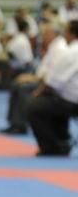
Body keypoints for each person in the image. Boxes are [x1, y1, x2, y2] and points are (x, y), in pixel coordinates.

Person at [1, 22, 67, 135]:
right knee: (16, 84)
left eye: (46, 34)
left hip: (52, 85)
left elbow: (53, 74)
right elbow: (43, 69)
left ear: (54, 34)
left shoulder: (60, 48)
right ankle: (14, 122)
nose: (43, 37)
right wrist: (32, 76)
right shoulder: (52, 46)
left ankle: (21, 124)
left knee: (23, 88)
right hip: (42, 79)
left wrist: (33, 79)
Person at [24, 19, 78, 157]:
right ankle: (63, 140)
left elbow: (54, 82)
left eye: (66, 32)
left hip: (71, 101)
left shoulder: (71, 52)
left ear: (72, 34)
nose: (64, 35)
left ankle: (53, 147)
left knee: (34, 106)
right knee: (51, 103)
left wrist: (37, 93)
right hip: (69, 98)